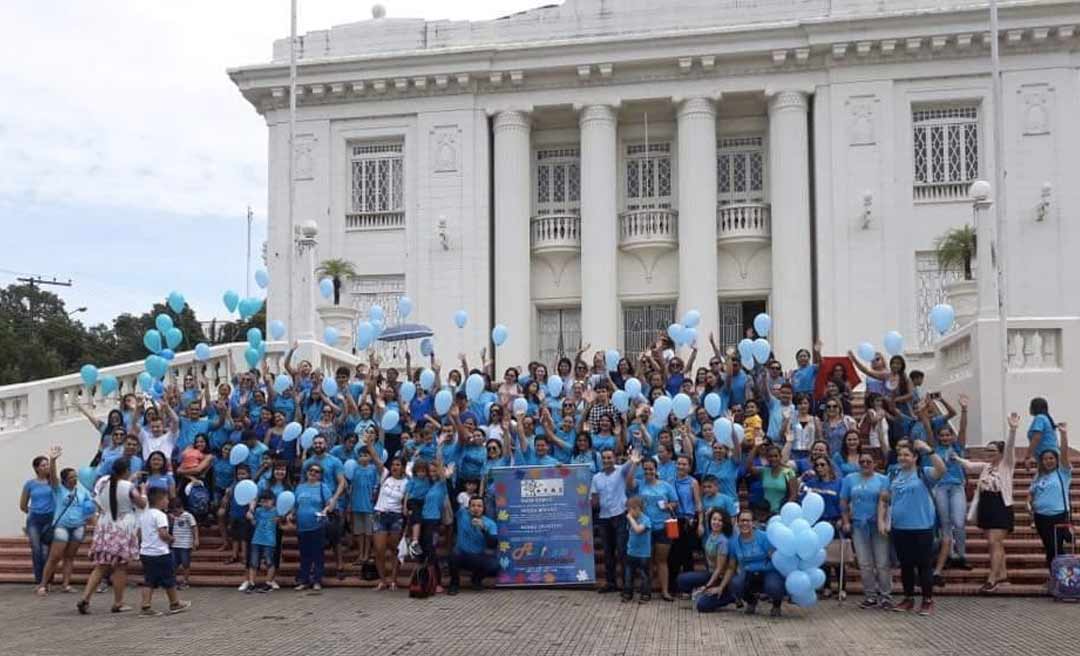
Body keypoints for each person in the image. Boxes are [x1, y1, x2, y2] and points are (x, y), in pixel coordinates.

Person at [879, 440, 946, 616]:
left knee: (924, 565)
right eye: (900, 454)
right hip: (899, 527)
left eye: (907, 455)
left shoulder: (923, 473)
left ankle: (927, 600)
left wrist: (929, 450)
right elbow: (885, 497)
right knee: (906, 566)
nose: (903, 458)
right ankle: (908, 598)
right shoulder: (893, 475)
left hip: (921, 527)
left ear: (915, 457)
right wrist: (882, 519)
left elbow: (941, 470)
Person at [956, 412, 1019, 593]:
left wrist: (1013, 430)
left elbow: (1010, 448)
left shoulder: (1006, 465)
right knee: (994, 543)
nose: (989, 453)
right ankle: (1003, 574)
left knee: (994, 541)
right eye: (987, 450)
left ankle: (992, 578)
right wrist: (955, 458)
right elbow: (968, 465)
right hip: (987, 505)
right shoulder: (985, 467)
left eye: (992, 451)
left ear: (1000, 453)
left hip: (1001, 504)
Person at [78, 457, 147, 614]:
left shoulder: (102, 482)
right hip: (123, 526)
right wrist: (143, 491)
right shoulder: (129, 487)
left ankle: (86, 597)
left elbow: (111, 492)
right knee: (120, 566)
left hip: (105, 524)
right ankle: (118, 602)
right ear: (127, 470)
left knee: (101, 565)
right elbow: (141, 504)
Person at [926, 396, 971, 586]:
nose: (945, 437)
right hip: (941, 488)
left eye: (948, 435)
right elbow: (928, 428)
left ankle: (961, 554)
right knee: (944, 522)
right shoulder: (934, 449)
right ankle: (950, 553)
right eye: (942, 435)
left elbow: (962, 429)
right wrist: (924, 410)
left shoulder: (958, 447)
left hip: (957, 487)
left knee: (959, 521)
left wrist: (964, 410)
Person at [840, 450, 892, 609]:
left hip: (878, 525)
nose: (865, 465)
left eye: (868, 462)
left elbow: (887, 502)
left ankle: (885, 596)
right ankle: (870, 596)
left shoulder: (883, 480)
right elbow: (843, 501)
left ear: (875, 463)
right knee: (864, 563)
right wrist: (846, 521)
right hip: (858, 525)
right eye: (862, 462)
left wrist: (884, 521)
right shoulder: (849, 479)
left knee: (882, 562)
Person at [626, 453, 678, 601]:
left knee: (662, 560)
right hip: (645, 529)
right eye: (646, 469)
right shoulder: (640, 483)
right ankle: (646, 590)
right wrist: (634, 464)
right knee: (646, 561)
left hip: (663, 527)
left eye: (651, 469)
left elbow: (675, 502)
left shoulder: (666, 485)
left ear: (656, 469)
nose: (648, 472)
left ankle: (665, 591)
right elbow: (628, 483)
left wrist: (669, 505)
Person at [37, 462, 94, 595]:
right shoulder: (58, 489)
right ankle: (43, 585)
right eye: (71, 477)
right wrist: (52, 460)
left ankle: (66, 584)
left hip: (78, 526)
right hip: (62, 526)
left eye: (75, 477)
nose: (74, 479)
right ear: (64, 480)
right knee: (55, 557)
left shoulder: (82, 491)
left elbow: (89, 508)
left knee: (70, 557)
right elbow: (52, 477)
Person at [716, 510, 785, 616]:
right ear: (737, 523)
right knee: (735, 584)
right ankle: (751, 602)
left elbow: (775, 559)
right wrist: (721, 586)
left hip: (768, 571)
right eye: (742, 521)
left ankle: (776, 605)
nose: (744, 523)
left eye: (748, 520)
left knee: (774, 586)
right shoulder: (733, 542)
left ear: (753, 523)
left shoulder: (764, 537)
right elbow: (731, 567)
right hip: (749, 572)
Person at [1028, 419, 1072, 578]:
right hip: (1040, 517)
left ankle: (1063, 580)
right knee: (1049, 548)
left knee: (1056, 549)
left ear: (1056, 459)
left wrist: (1063, 434)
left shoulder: (1063, 473)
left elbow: (1065, 454)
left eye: (1051, 458)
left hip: (1058, 516)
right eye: (1045, 459)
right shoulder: (1038, 476)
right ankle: (1055, 578)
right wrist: (1030, 506)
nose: (1048, 461)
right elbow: (1031, 494)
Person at [138, 488, 192, 616]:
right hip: (160, 552)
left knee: (149, 580)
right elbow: (162, 533)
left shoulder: (144, 515)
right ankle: (175, 603)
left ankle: (146, 605)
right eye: (166, 499)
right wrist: (171, 539)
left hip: (146, 552)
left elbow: (139, 534)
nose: (168, 501)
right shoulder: (160, 515)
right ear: (160, 501)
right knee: (169, 578)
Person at [676, 508, 736, 612]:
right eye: (714, 519)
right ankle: (704, 594)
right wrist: (705, 515)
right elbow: (705, 521)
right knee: (682, 579)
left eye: (720, 520)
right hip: (710, 573)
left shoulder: (723, 542)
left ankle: (731, 597)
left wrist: (706, 586)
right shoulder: (711, 535)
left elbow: (719, 568)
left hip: (721, 578)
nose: (716, 522)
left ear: (724, 523)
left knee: (702, 606)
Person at [589, 448, 631, 594]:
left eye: (609, 458)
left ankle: (627, 584)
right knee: (607, 552)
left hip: (620, 515)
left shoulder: (621, 471)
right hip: (603, 518)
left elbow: (633, 460)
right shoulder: (596, 478)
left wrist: (637, 441)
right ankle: (611, 582)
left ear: (615, 458)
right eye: (604, 458)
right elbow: (594, 499)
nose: (607, 461)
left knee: (622, 551)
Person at [20, 446, 60, 587]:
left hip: (50, 520)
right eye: (43, 465)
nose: (46, 467)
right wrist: (34, 512)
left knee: (49, 552)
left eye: (47, 464)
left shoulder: (53, 482)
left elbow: (55, 479)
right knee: (37, 551)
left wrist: (53, 460)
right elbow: (23, 505)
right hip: (34, 521)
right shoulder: (30, 484)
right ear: (37, 468)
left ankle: (48, 580)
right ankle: (40, 581)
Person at [292, 462, 335, 592]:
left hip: (317, 526)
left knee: (317, 555)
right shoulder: (300, 487)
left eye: (316, 471)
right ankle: (304, 580)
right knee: (304, 555)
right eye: (311, 470)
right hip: (301, 526)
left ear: (320, 475)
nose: (313, 473)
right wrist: (290, 514)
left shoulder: (323, 487)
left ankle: (317, 580)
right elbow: (295, 505)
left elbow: (330, 504)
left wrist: (325, 511)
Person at [447, 495, 499, 595]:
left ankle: (476, 580)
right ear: (469, 507)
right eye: (473, 505)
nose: (476, 508)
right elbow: (452, 497)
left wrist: (483, 529)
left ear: (483, 508)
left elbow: (493, 545)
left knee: (494, 565)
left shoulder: (490, 523)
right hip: (461, 554)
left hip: (477, 557)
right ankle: (454, 583)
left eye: (479, 506)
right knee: (453, 554)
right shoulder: (462, 514)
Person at [372, 456, 407, 590]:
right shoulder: (385, 475)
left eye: (398, 465)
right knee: (379, 549)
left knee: (394, 549)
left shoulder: (407, 482)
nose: (394, 467)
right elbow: (377, 461)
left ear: (403, 467)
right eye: (393, 464)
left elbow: (406, 499)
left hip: (396, 516)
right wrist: (369, 445)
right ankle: (382, 580)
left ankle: (393, 580)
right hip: (380, 514)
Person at [242, 491, 280, 592]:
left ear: (273, 501)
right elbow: (255, 523)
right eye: (263, 502)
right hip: (257, 539)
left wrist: (281, 520)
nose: (265, 504)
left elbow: (282, 521)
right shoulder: (258, 511)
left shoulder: (276, 511)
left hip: (269, 541)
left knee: (269, 562)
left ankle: (268, 583)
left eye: (267, 501)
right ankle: (252, 583)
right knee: (253, 562)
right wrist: (250, 518)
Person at [622, 496, 652, 603]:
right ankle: (627, 593)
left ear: (639, 508)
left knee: (644, 575)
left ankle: (645, 594)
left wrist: (630, 518)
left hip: (643, 554)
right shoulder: (631, 520)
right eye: (629, 509)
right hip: (631, 552)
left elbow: (638, 530)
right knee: (629, 574)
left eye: (632, 509)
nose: (630, 512)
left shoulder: (646, 519)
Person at [169, 497, 198, 590]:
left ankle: (185, 581)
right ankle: (172, 581)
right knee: (173, 564)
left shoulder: (188, 516)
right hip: (175, 544)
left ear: (180, 508)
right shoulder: (173, 517)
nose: (174, 513)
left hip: (185, 544)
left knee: (185, 563)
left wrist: (195, 539)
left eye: (175, 511)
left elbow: (194, 527)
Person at [1025, 397, 1059, 469]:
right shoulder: (1046, 418)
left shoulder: (1039, 418)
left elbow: (1036, 437)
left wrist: (1028, 456)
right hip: (1050, 453)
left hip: (1046, 456)